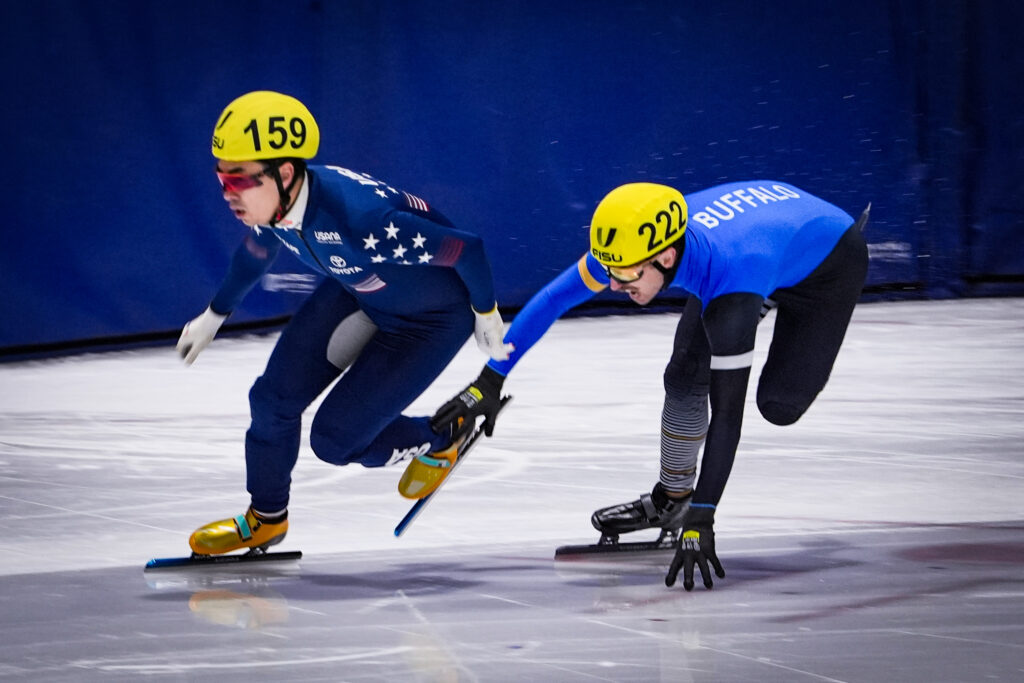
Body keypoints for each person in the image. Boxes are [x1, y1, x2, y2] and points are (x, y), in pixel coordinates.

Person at [431, 181, 869, 590]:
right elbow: (552, 300)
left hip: (826, 264)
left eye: (626, 278)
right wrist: (488, 381)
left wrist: (704, 518)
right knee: (683, 375)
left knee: (777, 405)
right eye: (612, 275)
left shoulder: (729, 281)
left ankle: (769, 292)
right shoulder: (631, 249)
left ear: (665, 258)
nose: (616, 287)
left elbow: (728, 414)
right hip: (758, 247)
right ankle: (672, 497)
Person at [178, 91, 512, 555]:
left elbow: (466, 248)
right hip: (361, 291)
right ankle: (266, 519)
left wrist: (486, 311)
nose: (229, 194)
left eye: (239, 180)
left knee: (335, 442)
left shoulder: (363, 221)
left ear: (286, 173)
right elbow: (257, 252)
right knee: (272, 400)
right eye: (222, 180)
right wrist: (215, 315)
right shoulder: (275, 202)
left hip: (428, 323)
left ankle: (443, 436)